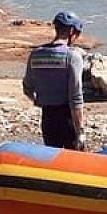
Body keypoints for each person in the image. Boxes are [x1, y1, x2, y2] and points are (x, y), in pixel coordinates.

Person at [23, 11, 86, 151]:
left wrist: (37, 100)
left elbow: (27, 87)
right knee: (74, 162)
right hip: (67, 118)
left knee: (53, 158)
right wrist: (80, 131)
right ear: (71, 31)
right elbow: (76, 97)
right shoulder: (72, 57)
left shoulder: (36, 54)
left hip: (48, 117)